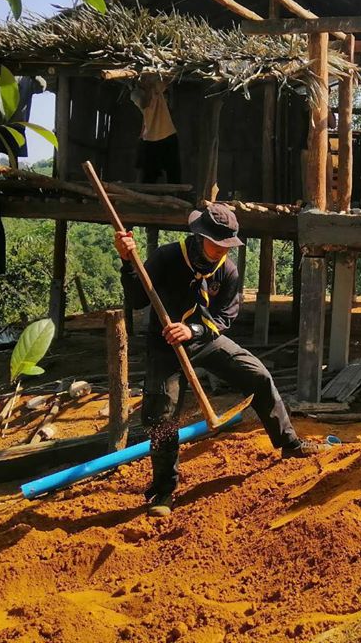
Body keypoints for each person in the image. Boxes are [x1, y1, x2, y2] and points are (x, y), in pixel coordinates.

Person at [116, 203, 325, 517]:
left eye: (227, 245)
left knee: (257, 375)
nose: (221, 251)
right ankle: (163, 491)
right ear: (200, 236)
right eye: (217, 244)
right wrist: (127, 261)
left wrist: (193, 329)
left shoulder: (227, 270)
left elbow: (225, 317)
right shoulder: (167, 257)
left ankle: (289, 443)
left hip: (203, 340)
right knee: (161, 418)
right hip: (165, 346)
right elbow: (137, 299)